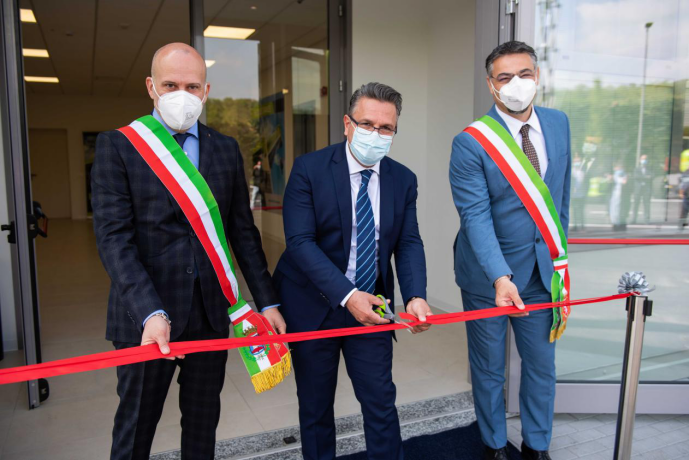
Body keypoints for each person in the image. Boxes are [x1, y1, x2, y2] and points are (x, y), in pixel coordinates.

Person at [91, 43, 286, 460]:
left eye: (192, 86)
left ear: (206, 91)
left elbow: (242, 232)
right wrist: (149, 311)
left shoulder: (225, 148)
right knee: (134, 430)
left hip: (210, 314)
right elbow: (113, 239)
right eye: (170, 85)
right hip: (145, 318)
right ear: (151, 87)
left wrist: (267, 301)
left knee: (202, 428)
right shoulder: (119, 146)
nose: (182, 94)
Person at [274, 82, 432, 460]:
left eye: (386, 128)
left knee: (380, 401)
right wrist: (347, 296)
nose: (376, 134)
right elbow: (300, 242)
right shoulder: (310, 169)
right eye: (367, 124)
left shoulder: (403, 179)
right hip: (313, 303)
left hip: (373, 305)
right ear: (347, 124)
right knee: (316, 406)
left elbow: (408, 241)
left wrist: (415, 295)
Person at [450, 41, 571, 460]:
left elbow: (560, 200)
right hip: (488, 278)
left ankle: (536, 446)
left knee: (541, 366)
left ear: (537, 77)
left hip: (541, 274)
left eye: (524, 74)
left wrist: (559, 259)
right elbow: (475, 217)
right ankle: (494, 445)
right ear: (491, 85)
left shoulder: (558, 124)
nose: (516, 83)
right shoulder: (471, 142)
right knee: (488, 369)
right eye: (505, 77)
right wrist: (500, 277)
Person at [631, 154, 653, 224]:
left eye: (645, 159)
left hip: (646, 189)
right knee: (636, 204)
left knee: (646, 204)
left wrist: (643, 177)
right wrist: (646, 177)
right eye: (643, 159)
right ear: (640, 160)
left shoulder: (650, 169)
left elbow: (652, 176)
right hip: (638, 189)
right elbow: (636, 176)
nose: (644, 160)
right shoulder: (636, 169)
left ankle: (646, 219)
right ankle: (634, 219)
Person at [570, 153, 588, 231]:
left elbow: (586, 181)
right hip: (573, 194)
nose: (577, 161)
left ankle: (582, 225)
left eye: (578, 160)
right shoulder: (571, 170)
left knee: (581, 210)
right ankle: (575, 225)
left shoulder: (583, 169)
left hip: (582, 193)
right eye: (575, 160)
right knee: (574, 209)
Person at [609, 161, 628, 231]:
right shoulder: (621, 173)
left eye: (615, 167)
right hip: (617, 194)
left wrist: (612, 177)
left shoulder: (619, 173)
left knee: (616, 209)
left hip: (618, 194)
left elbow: (623, 181)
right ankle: (618, 224)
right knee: (616, 209)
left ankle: (617, 224)